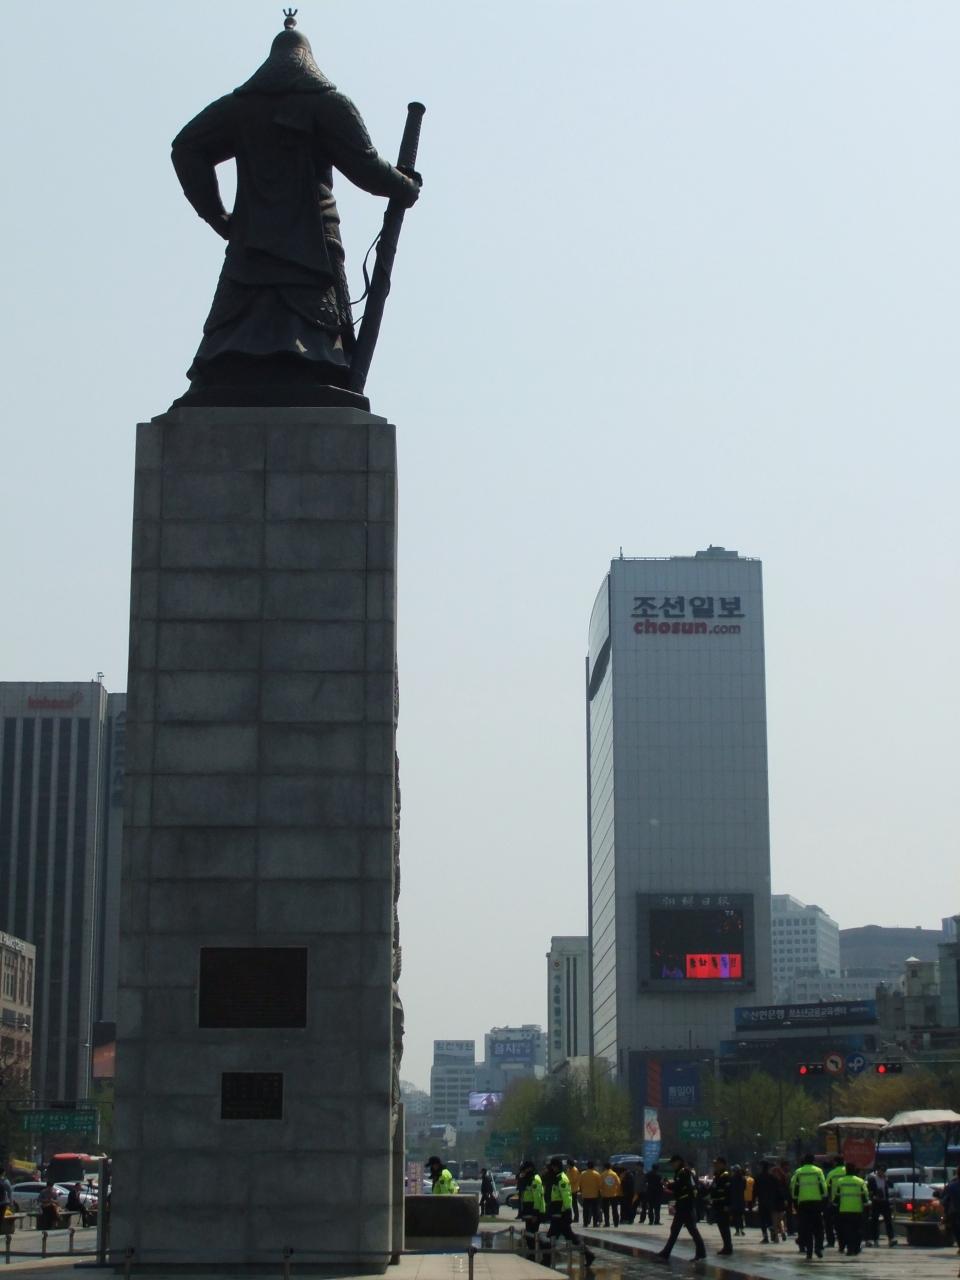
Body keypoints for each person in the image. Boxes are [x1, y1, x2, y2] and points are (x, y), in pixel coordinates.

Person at [170, 15, 422, 402]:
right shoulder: (327, 104)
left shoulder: (241, 108)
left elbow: (187, 148)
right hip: (312, 243)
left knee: (239, 320)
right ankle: (313, 370)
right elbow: (366, 165)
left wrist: (219, 218)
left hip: (251, 242)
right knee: (315, 326)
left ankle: (232, 371)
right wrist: (404, 186)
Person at [544, 1157, 595, 1268]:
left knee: (556, 1236)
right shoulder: (556, 1178)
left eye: (552, 1167)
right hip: (557, 1212)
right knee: (565, 1236)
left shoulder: (562, 1179)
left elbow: (566, 1196)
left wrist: (566, 1210)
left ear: (556, 1167)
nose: (550, 1169)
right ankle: (588, 1254)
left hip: (561, 1213)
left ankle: (546, 1260)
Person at [656, 1155, 706, 1262]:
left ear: (678, 1161)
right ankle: (666, 1252)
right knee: (679, 1229)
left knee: (689, 1230)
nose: (672, 1165)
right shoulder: (682, 1172)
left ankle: (700, 1252)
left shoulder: (683, 1172)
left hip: (685, 1205)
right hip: (684, 1204)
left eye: (673, 1163)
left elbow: (680, 1186)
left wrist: (668, 1185)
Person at [790, 1153, 827, 1261]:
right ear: (813, 1161)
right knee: (818, 1228)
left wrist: (795, 1200)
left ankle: (809, 1251)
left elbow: (793, 1187)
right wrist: (824, 1198)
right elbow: (823, 1186)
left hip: (803, 1203)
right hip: (816, 1203)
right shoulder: (818, 1171)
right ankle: (818, 1248)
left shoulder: (798, 1172)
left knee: (806, 1228)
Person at [833, 1163, 869, 1257]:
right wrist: (866, 1204)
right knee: (857, 1230)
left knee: (847, 1230)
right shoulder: (860, 1181)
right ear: (854, 1170)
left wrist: (835, 1204)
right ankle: (856, 1248)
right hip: (857, 1210)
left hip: (844, 1210)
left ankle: (849, 1249)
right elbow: (865, 1196)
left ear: (846, 1170)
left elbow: (837, 1196)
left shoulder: (840, 1181)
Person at [518, 1160, 545, 1260]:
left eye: (524, 1170)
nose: (523, 1172)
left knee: (532, 1235)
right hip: (528, 1210)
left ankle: (544, 1250)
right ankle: (532, 1253)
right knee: (529, 1235)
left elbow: (537, 1197)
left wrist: (535, 1214)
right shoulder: (527, 1179)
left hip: (534, 1211)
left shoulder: (535, 1179)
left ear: (530, 1169)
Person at [866, 1164, 897, 1248]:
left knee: (888, 1220)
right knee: (874, 1221)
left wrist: (886, 1179)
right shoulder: (872, 1178)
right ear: (877, 1170)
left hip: (884, 1201)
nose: (882, 1172)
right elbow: (868, 1189)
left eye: (883, 1171)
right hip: (876, 1202)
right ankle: (875, 1239)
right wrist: (873, 1196)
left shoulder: (885, 1178)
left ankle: (891, 1238)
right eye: (881, 1170)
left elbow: (892, 1185)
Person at [710, 1156, 734, 1255]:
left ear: (723, 1164)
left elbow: (728, 1192)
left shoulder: (726, 1176)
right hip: (717, 1204)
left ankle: (728, 1247)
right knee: (721, 1226)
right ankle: (726, 1246)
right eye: (715, 1164)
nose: (715, 1165)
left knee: (724, 1226)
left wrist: (727, 1205)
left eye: (717, 1164)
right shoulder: (718, 1175)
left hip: (723, 1204)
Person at [823, 1156, 845, 1249]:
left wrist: (828, 1201)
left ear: (835, 1163)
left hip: (834, 1202)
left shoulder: (832, 1173)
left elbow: (826, 1187)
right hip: (849, 1202)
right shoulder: (848, 1171)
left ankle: (831, 1241)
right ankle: (846, 1242)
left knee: (829, 1222)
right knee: (845, 1223)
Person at [755, 1161, 779, 1243]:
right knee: (769, 1219)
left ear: (762, 1167)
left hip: (762, 1201)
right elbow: (777, 1189)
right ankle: (772, 1231)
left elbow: (755, 1190)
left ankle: (765, 1237)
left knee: (762, 1220)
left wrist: (754, 1199)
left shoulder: (758, 1177)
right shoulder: (772, 1177)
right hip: (771, 1201)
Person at [942, 1166, 960, 1252]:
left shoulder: (951, 1186)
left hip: (954, 1213)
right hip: (955, 1213)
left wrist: (945, 1214)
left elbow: (945, 1201)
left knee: (956, 1230)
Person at [579, 1160, 602, 1227]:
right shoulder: (597, 1174)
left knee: (586, 1210)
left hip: (585, 1195)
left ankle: (585, 1223)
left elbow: (580, 1184)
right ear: (593, 1166)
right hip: (595, 1195)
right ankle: (595, 1223)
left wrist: (582, 1191)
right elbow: (600, 1185)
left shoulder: (583, 1174)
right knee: (595, 1210)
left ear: (587, 1166)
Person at [599, 1161, 622, 1227]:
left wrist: (601, 1191)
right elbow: (619, 1183)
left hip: (605, 1195)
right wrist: (617, 1191)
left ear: (604, 1167)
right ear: (611, 1167)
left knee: (606, 1210)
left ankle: (607, 1223)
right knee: (615, 1210)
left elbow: (600, 1185)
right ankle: (616, 1223)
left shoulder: (603, 1174)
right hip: (613, 1194)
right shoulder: (614, 1174)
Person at [729, 1164, 746, 1236]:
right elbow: (744, 1188)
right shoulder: (743, 1179)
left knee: (735, 1216)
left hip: (734, 1199)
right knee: (740, 1216)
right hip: (741, 1199)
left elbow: (730, 1189)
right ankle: (742, 1230)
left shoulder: (732, 1179)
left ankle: (737, 1231)